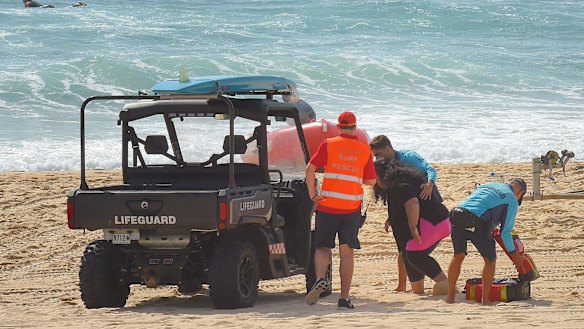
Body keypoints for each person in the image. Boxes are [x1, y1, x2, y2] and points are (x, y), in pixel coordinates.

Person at [305, 111, 376, 310]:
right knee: (347, 252)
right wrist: (354, 174)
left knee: (322, 247)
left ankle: (320, 278)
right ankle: (344, 299)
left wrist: (312, 194)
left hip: (327, 205)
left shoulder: (329, 144)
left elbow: (310, 169)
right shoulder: (364, 150)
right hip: (351, 209)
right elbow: (371, 181)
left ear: (338, 127)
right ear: (355, 128)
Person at [369, 134, 442, 292]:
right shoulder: (386, 168)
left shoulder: (408, 157)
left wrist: (430, 184)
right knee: (403, 246)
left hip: (425, 200)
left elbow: (430, 169)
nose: (376, 159)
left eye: (378, 155)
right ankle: (402, 285)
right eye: (374, 156)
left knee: (411, 250)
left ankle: (433, 279)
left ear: (388, 149)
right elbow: (399, 197)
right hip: (410, 203)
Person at [445, 178, 527, 305]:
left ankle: (450, 298)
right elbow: (506, 233)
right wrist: (515, 255)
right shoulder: (512, 199)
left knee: (458, 256)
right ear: (520, 193)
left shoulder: (489, 184)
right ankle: (485, 300)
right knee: (490, 260)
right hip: (476, 220)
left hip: (456, 215)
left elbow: (481, 203)